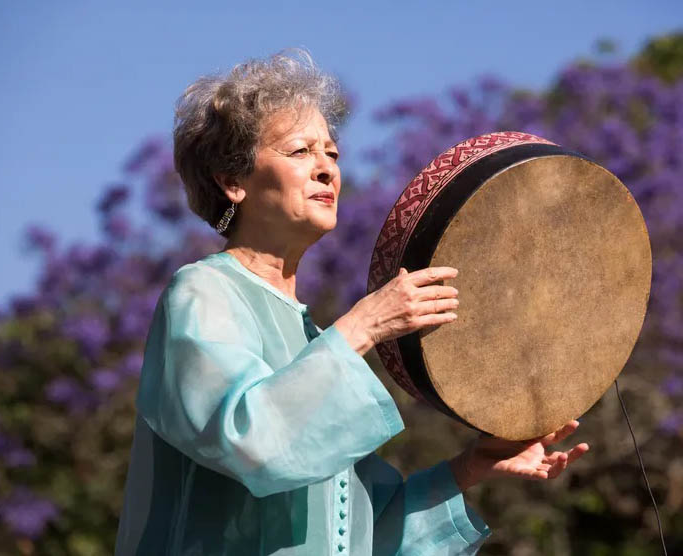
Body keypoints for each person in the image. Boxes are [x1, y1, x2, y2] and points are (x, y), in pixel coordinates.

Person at [114, 50, 589, 555]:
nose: (326, 169)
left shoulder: (314, 340)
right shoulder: (202, 292)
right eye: (300, 151)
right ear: (232, 182)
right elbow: (248, 441)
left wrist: (473, 465)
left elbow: (360, 536)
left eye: (333, 154)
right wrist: (365, 323)